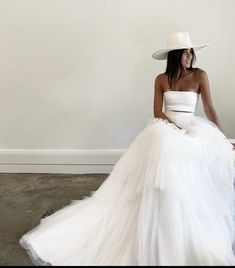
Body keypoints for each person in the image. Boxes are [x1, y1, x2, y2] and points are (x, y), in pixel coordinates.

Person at [19, 32, 235, 266]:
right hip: (167, 130)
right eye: (185, 52)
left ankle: (189, 224)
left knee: (197, 172)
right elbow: (157, 112)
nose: (189, 56)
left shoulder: (200, 76)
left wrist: (221, 137)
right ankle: (159, 222)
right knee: (162, 170)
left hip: (193, 129)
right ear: (175, 56)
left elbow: (210, 107)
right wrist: (176, 130)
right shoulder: (161, 79)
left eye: (191, 52)